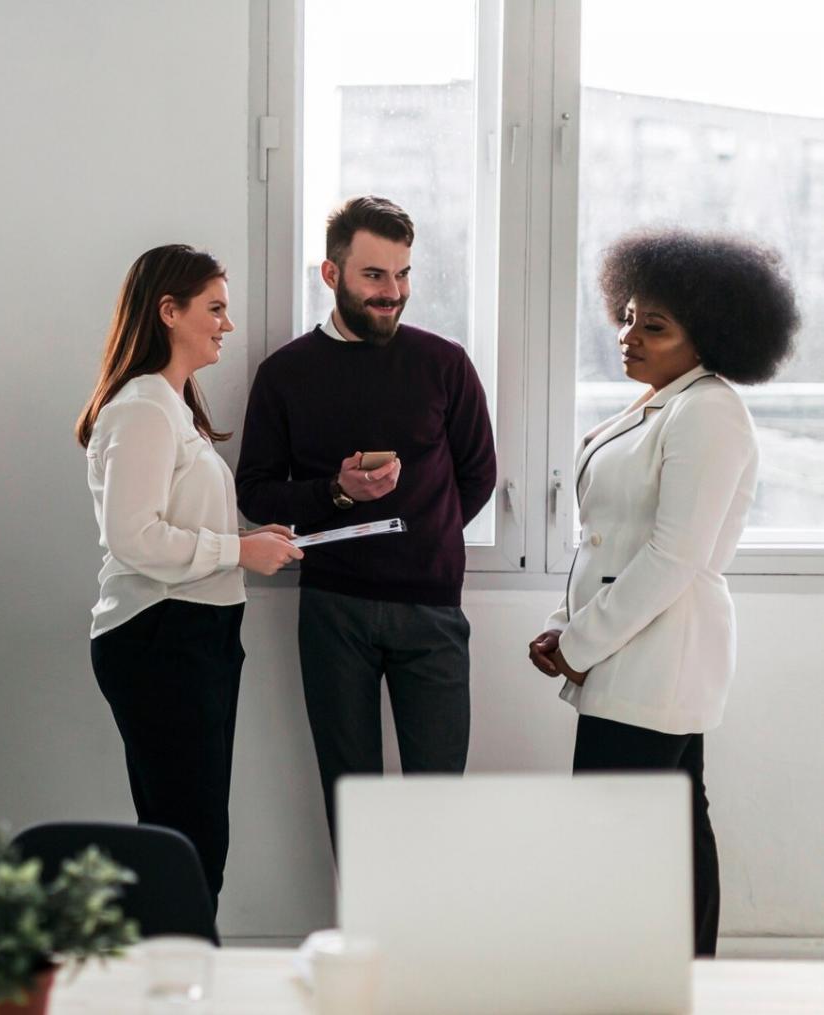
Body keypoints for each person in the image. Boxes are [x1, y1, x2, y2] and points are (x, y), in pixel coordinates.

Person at [527, 228, 799, 957]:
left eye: (654, 326)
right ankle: (683, 982)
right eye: (627, 316)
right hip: (630, 651)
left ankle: (647, 982)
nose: (629, 336)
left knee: (624, 837)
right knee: (672, 825)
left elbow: (672, 555)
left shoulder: (705, 410)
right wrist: (564, 623)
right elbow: (605, 537)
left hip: (657, 654)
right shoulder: (658, 403)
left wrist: (579, 643)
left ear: (705, 336)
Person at [235, 196, 496, 848]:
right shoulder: (284, 373)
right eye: (374, 276)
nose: (392, 292)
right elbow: (256, 493)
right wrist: (337, 492)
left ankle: (430, 945)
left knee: (439, 803)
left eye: (403, 274)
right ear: (332, 275)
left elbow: (477, 476)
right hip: (333, 608)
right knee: (349, 799)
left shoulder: (444, 364)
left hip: (432, 611)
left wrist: (428, 533)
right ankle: (364, 947)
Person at [76, 244, 300, 910]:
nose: (226, 325)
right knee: (188, 838)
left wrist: (247, 541)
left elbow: (171, 523)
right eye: (214, 309)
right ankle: (178, 982)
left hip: (191, 631)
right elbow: (133, 537)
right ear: (167, 311)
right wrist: (237, 551)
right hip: (161, 634)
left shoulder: (171, 405)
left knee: (195, 836)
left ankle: (179, 974)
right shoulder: (144, 407)